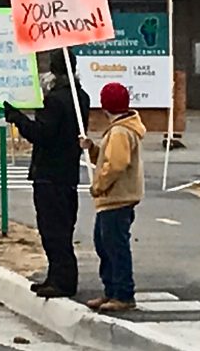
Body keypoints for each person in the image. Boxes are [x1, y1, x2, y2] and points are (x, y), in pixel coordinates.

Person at [3, 48, 90, 298]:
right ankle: (57, 276)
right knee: (63, 228)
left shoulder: (54, 101)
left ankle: (62, 280)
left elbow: (42, 134)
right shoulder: (80, 97)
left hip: (50, 173)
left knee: (53, 230)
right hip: (68, 172)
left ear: (54, 69)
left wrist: (18, 118)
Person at [80, 82, 145, 312]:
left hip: (116, 198)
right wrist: (93, 149)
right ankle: (111, 291)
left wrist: (98, 185)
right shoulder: (122, 128)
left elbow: (116, 164)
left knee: (115, 247)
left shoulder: (119, 131)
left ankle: (123, 294)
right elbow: (109, 157)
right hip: (116, 198)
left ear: (106, 105)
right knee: (104, 243)